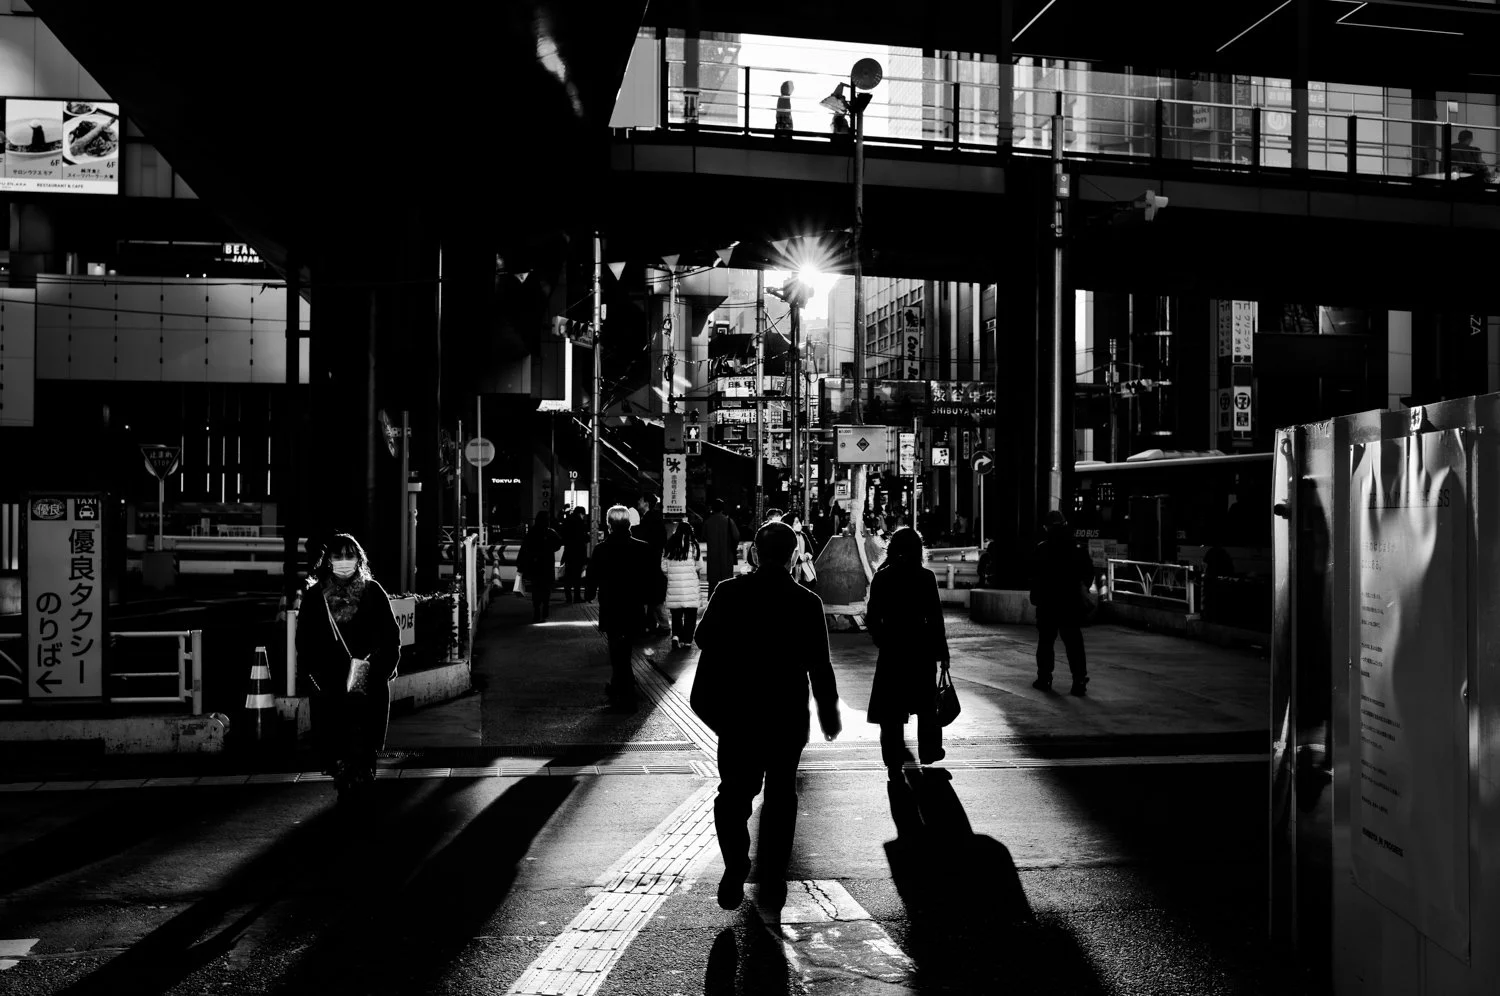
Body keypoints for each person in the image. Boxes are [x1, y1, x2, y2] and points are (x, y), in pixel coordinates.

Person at [693, 521, 842, 911]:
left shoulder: (729, 592)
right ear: (794, 556)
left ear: (755, 554)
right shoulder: (807, 603)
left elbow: (704, 639)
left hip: (738, 714)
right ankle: (773, 874)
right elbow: (819, 665)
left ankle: (735, 863)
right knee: (780, 796)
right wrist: (829, 713)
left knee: (734, 795)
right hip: (787, 715)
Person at [294, 533, 401, 800]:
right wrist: (311, 675)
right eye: (338, 556)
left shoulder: (373, 591)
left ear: (358, 559)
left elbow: (391, 636)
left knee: (366, 737)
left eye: (349, 555)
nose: (344, 561)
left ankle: (363, 773)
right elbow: (304, 640)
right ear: (328, 560)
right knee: (335, 738)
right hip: (328, 680)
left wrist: (380, 669)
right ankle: (343, 774)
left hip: (368, 678)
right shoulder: (315, 595)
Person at [865, 527, 950, 776]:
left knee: (891, 710)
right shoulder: (925, 577)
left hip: (892, 649)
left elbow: (872, 617)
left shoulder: (882, 578)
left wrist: (882, 639)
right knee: (926, 706)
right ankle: (929, 751)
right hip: (921, 649)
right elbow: (935, 618)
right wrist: (941, 652)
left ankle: (892, 760)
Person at [587, 505, 655, 710]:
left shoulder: (601, 549)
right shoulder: (642, 547)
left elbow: (592, 578)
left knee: (616, 648)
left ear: (609, 525)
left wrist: (589, 595)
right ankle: (624, 685)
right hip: (634, 606)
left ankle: (621, 687)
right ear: (629, 524)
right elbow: (652, 579)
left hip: (611, 606)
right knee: (626, 648)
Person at [1029, 510, 1095, 696]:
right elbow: (1088, 573)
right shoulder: (1076, 548)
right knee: (1074, 643)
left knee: (1046, 643)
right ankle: (1079, 680)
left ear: (1047, 527)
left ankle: (1044, 678)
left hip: (1047, 604)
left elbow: (1033, 575)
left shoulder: (1042, 548)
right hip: (1070, 604)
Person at [633, 494, 671, 635]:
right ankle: (653, 625)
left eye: (641, 500)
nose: (639, 501)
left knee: (653, 598)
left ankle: (658, 625)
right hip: (653, 563)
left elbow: (644, 539)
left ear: (647, 503)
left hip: (650, 564)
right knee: (652, 598)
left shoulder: (649, 520)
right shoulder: (655, 518)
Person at [517, 511, 563, 623]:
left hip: (535, 565)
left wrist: (521, 565)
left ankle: (537, 611)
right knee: (546, 589)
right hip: (547, 565)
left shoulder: (532, 532)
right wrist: (550, 549)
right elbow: (559, 543)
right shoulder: (550, 532)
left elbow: (524, 549)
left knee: (536, 589)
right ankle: (545, 610)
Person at [662, 521, 702, 649]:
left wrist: (671, 575)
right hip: (690, 587)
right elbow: (699, 566)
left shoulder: (669, 546)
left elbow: (663, 567)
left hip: (674, 587)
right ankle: (687, 641)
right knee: (690, 616)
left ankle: (676, 636)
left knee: (676, 615)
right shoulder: (694, 546)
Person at [703, 497, 741, 594]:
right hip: (727, 555)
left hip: (713, 556)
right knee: (727, 581)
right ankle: (726, 600)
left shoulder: (708, 522)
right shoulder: (728, 521)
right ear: (722, 508)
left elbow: (704, 536)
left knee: (712, 582)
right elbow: (736, 536)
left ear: (712, 508)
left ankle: (711, 602)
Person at [560, 506, 590, 603]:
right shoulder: (580, 523)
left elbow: (563, 536)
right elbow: (584, 538)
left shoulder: (567, 521)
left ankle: (568, 598)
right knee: (577, 577)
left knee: (568, 576)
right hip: (578, 552)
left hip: (569, 552)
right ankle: (577, 597)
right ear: (581, 514)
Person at [785, 509, 817, 588]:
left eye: (798, 521)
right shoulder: (787, 536)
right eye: (796, 522)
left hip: (804, 570)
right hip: (792, 571)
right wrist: (799, 557)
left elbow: (810, 550)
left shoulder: (803, 535)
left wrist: (806, 556)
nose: (799, 524)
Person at [746, 507, 784, 571]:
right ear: (769, 518)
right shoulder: (763, 531)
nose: (779, 517)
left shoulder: (780, 530)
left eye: (780, 516)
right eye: (777, 515)